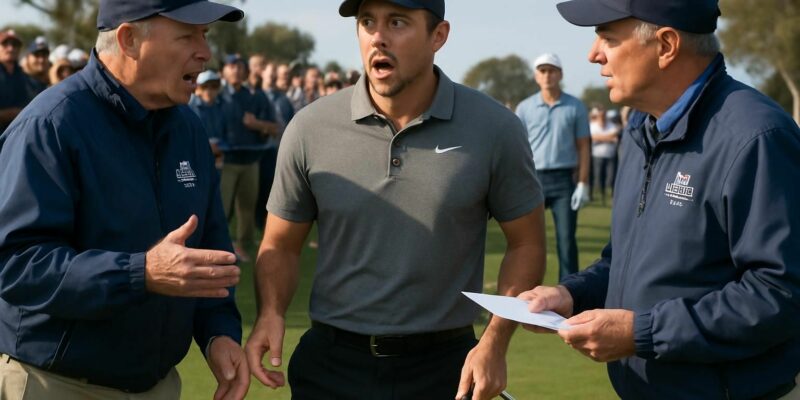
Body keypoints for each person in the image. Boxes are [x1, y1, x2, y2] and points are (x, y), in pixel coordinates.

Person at [244, 0, 547, 399]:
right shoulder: (309, 128)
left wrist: (495, 341)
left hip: (445, 370)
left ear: (438, 36)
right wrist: (271, 312)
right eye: (366, 22)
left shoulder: (495, 128)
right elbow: (280, 244)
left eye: (397, 22)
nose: (378, 37)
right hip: (331, 367)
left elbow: (527, 243)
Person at [521, 0, 800, 399]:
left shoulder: (756, 137)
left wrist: (643, 333)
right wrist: (571, 295)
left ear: (666, 45)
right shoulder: (641, 129)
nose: (593, 54)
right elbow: (625, 261)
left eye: (608, 38)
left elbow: (780, 293)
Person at [0, 1, 250, 399]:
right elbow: (15, 264)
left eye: (206, 35)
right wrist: (140, 272)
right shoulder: (51, 125)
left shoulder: (188, 128)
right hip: (58, 384)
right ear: (129, 39)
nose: (205, 52)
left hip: (158, 384)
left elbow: (209, 251)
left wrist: (218, 332)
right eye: (188, 34)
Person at [515, 52, 591, 281]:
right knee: (527, 242)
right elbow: (517, 148)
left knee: (566, 240)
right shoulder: (525, 108)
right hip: (532, 179)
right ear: (536, 76)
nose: (547, 75)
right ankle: (525, 293)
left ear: (560, 75)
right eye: (542, 71)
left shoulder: (575, 106)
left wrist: (583, 183)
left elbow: (584, 147)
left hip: (563, 181)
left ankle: (570, 293)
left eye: (552, 70)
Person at [218, 53, 279, 262]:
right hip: (225, 161)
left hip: (251, 160)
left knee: (247, 209)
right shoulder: (215, 95)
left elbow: (274, 128)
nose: (236, 70)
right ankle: (219, 248)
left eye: (240, 66)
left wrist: (257, 125)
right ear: (224, 71)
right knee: (221, 209)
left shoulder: (254, 96)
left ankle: (244, 249)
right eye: (232, 66)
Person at [0, 30, 42, 132]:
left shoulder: (27, 79)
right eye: (5, 44)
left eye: (15, 45)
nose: (11, 49)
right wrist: (10, 113)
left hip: (19, 136)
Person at [189, 70, 226, 170]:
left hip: (219, 159)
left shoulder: (223, 105)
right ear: (198, 87)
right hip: (194, 158)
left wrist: (220, 149)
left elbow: (227, 133)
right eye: (204, 86)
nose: (209, 91)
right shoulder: (189, 105)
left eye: (213, 86)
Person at [588, 105, 619, 204]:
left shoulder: (611, 125)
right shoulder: (592, 126)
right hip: (597, 155)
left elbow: (615, 136)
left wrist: (600, 138)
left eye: (603, 115)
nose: (602, 117)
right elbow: (593, 138)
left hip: (610, 155)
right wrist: (609, 138)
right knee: (598, 177)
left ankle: (612, 195)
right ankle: (602, 196)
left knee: (611, 177)